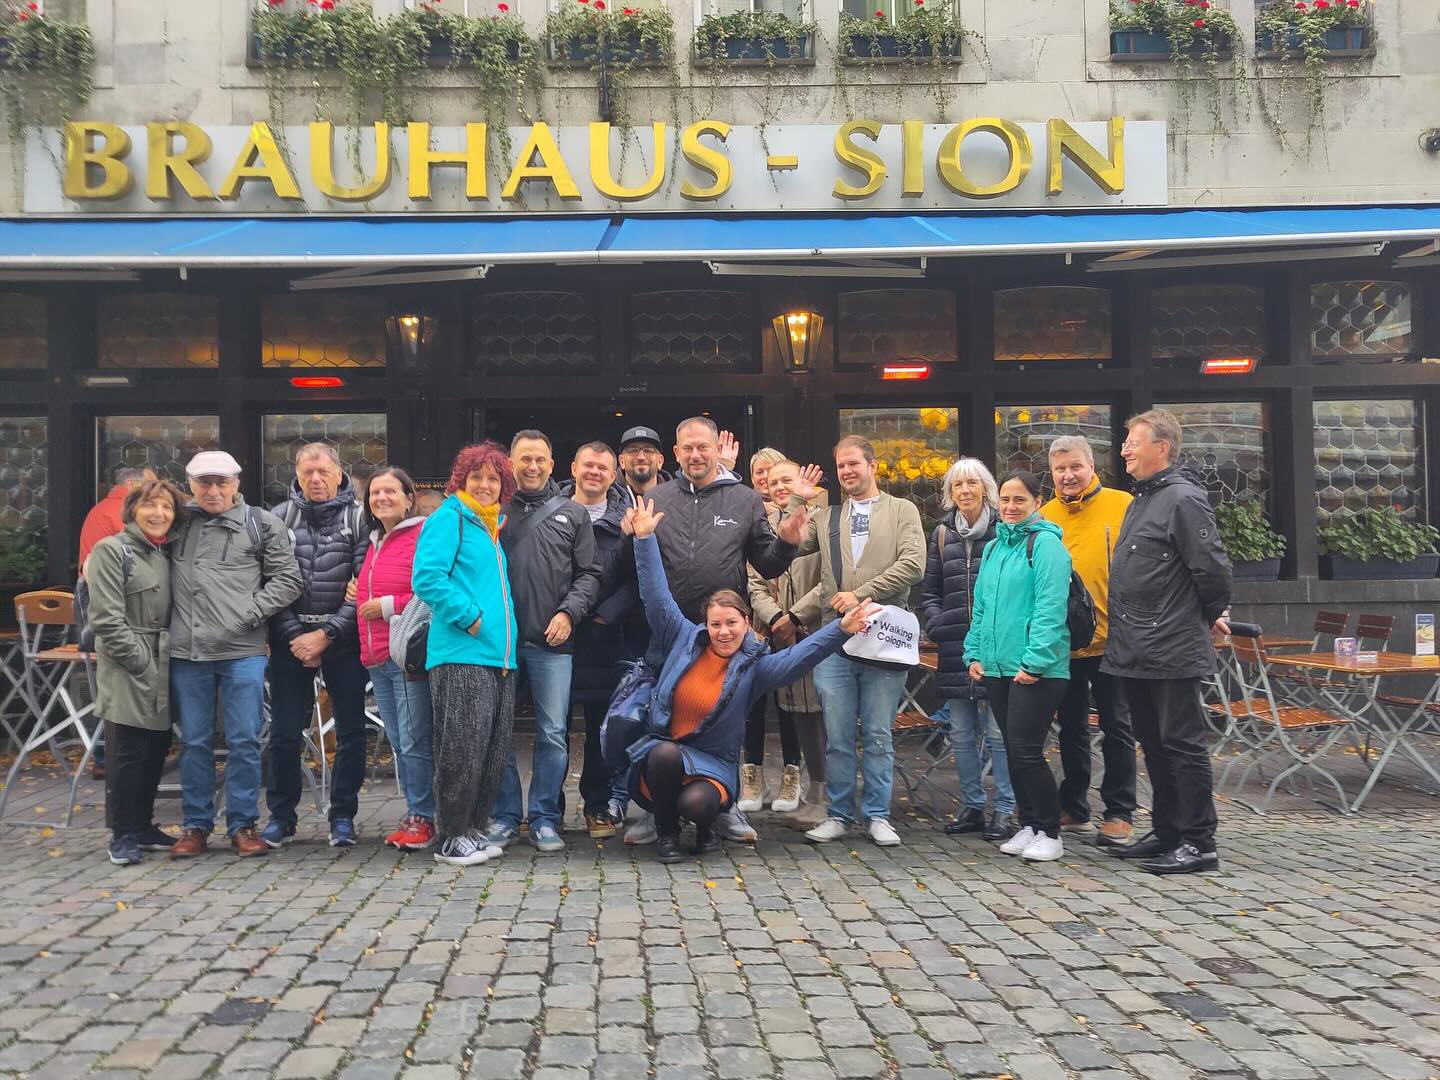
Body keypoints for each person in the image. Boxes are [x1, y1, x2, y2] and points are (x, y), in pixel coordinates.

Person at [624, 497, 878, 863]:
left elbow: (800, 657)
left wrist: (841, 629)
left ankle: (707, 827)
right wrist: (645, 539)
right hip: (670, 754)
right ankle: (666, 834)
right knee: (662, 754)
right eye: (716, 624)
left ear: (746, 623)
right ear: (705, 625)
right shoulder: (682, 638)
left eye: (732, 623)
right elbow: (656, 597)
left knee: (695, 803)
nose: (724, 631)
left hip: (712, 764)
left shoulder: (753, 668)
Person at [647, 417, 808, 844]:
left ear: (717, 449)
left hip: (723, 637)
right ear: (676, 452)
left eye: (703, 446)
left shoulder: (744, 499)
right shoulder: (657, 497)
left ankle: (725, 804)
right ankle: (654, 807)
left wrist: (787, 542)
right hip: (670, 634)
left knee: (725, 725)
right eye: (687, 448)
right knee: (661, 719)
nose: (695, 455)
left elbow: (767, 564)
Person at [1102, 410, 1232, 875]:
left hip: (1172, 646)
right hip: (1135, 648)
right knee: (1154, 744)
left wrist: (1203, 617)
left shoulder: (1183, 499)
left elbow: (1213, 572)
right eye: (1125, 442)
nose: (1124, 450)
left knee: (1182, 745)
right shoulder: (1142, 500)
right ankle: (1168, 831)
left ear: (1163, 448)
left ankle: (1199, 842)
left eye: (1134, 442)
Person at [785, 436, 926, 848]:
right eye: (841, 466)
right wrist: (797, 500)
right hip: (836, 636)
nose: (847, 471)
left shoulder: (902, 510)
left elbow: (913, 564)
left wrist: (861, 593)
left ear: (872, 466)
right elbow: (787, 541)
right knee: (839, 734)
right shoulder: (827, 516)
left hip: (885, 632)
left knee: (879, 733)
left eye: (854, 464)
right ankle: (839, 814)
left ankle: (878, 815)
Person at [169, 450, 301, 858]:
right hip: (188, 651)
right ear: (191, 485)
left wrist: (249, 613)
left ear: (236, 483)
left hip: (243, 650)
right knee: (193, 741)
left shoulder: (261, 523)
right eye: (204, 482)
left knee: (244, 740)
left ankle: (243, 823)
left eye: (221, 482)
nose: (213, 490)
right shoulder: (176, 523)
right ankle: (195, 825)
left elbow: (288, 579)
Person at [486, 430, 602, 855]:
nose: (532, 466)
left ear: (552, 465)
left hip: (552, 643)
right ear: (511, 463)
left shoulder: (573, 513)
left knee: (553, 733)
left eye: (540, 459)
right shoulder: (492, 511)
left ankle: (544, 817)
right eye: (524, 459)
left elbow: (590, 574)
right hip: (497, 643)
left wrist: (569, 613)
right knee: (497, 732)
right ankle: (504, 815)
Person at [411, 442, 521, 867]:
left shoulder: (489, 525)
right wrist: (469, 616)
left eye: (493, 478)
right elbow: (427, 577)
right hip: (461, 652)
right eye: (477, 477)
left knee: (489, 750)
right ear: (462, 480)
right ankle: (452, 835)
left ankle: (472, 828)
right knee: (461, 747)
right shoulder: (450, 517)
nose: (485, 485)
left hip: (497, 656)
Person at [260, 444, 369, 850]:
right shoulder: (278, 518)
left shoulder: (360, 518)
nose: (315, 479)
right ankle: (281, 818)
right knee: (284, 733)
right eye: (307, 472)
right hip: (290, 641)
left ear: (339, 474)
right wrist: (296, 636)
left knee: (351, 732)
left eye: (323, 471)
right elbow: (270, 582)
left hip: (344, 639)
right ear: (297, 475)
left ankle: (343, 817)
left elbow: (363, 583)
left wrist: (328, 634)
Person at [964, 471, 1073, 863]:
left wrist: (1035, 662)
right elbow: (981, 606)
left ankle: (1050, 832)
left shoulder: (1046, 546)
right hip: (997, 667)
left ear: (1037, 502)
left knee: (1026, 750)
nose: (1010, 507)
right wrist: (974, 653)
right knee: (1012, 750)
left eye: (1020, 500)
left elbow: (1050, 609)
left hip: (1037, 669)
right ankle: (1030, 824)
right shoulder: (994, 547)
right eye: (1005, 500)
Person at [1040, 435, 1137, 847]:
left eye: (1075, 467)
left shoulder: (1123, 505)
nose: (1068, 475)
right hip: (1063, 641)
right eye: (1060, 469)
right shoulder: (1043, 516)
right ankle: (1075, 806)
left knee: (1117, 726)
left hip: (1114, 637)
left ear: (1092, 467)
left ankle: (1120, 811)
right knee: (1071, 728)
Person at [88, 478, 186, 866]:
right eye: (150, 505)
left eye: (166, 506)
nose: (158, 513)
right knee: (129, 750)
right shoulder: (112, 550)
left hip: (165, 660)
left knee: (156, 747)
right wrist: (140, 661)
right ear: (132, 510)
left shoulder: (165, 552)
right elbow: (106, 619)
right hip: (130, 663)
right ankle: (123, 834)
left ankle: (143, 825)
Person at [920, 457, 1017, 843]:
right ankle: (972, 806)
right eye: (958, 485)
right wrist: (937, 622)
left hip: (996, 646)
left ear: (985, 489)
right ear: (950, 493)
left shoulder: (1003, 530)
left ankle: (1005, 808)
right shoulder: (942, 534)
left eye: (972, 483)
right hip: (954, 645)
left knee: (998, 733)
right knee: (960, 732)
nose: (965, 491)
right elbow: (930, 591)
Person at [354, 466, 436, 852]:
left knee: (414, 738)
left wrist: (386, 605)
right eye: (375, 493)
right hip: (376, 657)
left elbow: (432, 591)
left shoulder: (422, 535)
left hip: (405, 655)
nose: (381, 498)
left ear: (408, 499)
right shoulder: (375, 540)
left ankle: (424, 817)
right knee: (401, 741)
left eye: (390, 491)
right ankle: (415, 812)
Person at [563, 441, 640, 839]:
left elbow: (637, 576)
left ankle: (597, 807)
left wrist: (606, 614)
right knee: (553, 729)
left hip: (605, 635)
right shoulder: (552, 514)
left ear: (614, 475)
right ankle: (548, 811)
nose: (594, 472)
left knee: (599, 731)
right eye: (588, 465)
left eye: (602, 468)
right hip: (558, 633)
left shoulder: (627, 518)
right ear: (573, 468)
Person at [745, 459, 828, 822]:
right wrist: (776, 618)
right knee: (788, 709)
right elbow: (754, 581)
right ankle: (802, 788)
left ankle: (817, 787)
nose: (779, 486)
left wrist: (796, 616)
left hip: (811, 630)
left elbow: (830, 579)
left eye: (786, 480)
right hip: (772, 631)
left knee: (814, 711)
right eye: (773, 481)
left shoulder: (822, 522)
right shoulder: (760, 527)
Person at [78, 464, 157, 779]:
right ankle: (106, 755)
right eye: (151, 486)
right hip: (119, 616)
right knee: (115, 684)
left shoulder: (100, 510)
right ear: (134, 484)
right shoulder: (121, 513)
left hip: (110, 612)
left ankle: (110, 756)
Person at [78, 465, 157, 576]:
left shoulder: (107, 507)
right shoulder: (124, 511)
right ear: (131, 484)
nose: (156, 490)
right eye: (151, 485)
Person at [617, 425, 669, 500]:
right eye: (633, 451)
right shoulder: (606, 495)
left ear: (660, 461)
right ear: (622, 461)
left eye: (648, 451)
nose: (641, 457)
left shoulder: (677, 496)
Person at [749, 447, 786, 511]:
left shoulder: (800, 503)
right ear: (752, 478)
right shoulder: (741, 505)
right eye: (759, 472)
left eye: (771, 470)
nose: (765, 476)